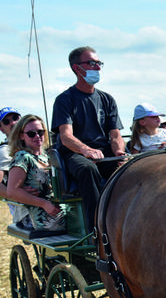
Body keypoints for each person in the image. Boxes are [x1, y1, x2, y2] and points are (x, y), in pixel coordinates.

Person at [51, 46, 125, 233]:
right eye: (92, 63)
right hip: (75, 154)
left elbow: (115, 135)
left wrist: (118, 153)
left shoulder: (107, 99)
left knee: (129, 168)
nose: (98, 67)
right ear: (77, 68)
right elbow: (66, 136)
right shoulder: (65, 100)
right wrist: (85, 150)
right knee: (87, 169)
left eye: (99, 63)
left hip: (103, 152)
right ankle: (97, 228)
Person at [6, 115, 66, 232]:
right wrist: (44, 204)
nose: (37, 136)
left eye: (40, 132)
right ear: (21, 136)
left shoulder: (49, 156)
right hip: (43, 217)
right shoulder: (22, 157)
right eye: (31, 133)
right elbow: (12, 191)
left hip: (61, 209)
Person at [0, 107, 33, 226]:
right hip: (26, 212)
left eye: (15, 118)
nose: (12, 122)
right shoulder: (4, 151)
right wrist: (17, 193)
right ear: (1, 129)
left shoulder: (35, 142)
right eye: (6, 122)